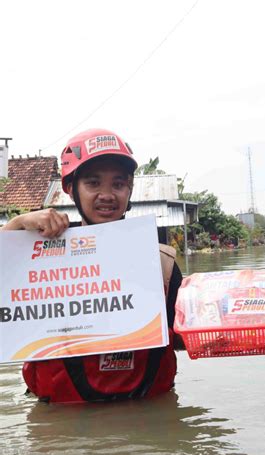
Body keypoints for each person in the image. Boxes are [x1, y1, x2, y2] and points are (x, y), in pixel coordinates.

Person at [1, 128, 184, 402]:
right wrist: (14, 227)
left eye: (118, 184)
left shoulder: (162, 265)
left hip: (147, 416)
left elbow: (183, 338)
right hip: (62, 427)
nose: (107, 195)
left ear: (130, 190)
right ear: (69, 188)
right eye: (93, 183)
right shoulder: (33, 257)